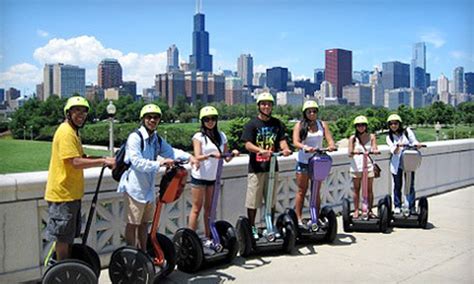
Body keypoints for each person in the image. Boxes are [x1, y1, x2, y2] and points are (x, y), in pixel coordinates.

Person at [117, 104, 199, 250]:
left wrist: (190, 157)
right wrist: (159, 163)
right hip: (134, 189)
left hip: (148, 189)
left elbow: (171, 152)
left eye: (156, 117)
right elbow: (137, 163)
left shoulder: (156, 139)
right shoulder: (135, 138)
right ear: (143, 119)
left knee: (144, 224)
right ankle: (130, 253)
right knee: (132, 223)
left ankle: (143, 252)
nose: (152, 120)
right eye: (149, 117)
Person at [45, 96, 116, 261]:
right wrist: (103, 161)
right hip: (62, 195)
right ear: (68, 113)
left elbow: (82, 156)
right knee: (62, 238)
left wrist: (104, 158)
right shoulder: (65, 133)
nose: (81, 114)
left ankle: (67, 268)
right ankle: (62, 271)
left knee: (68, 237)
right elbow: (75, 162)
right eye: (77, 111)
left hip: (71, 194)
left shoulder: (73, 132)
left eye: (84, 112)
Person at [241, 92, 292, 239]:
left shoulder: (277, 124)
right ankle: (252, 228)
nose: (266, 106)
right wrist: (260, 150)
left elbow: (281, 140)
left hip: (272, 168)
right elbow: (248, 144)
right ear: (259, 106)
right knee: (253, 201)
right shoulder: (251, 124)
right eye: (263, 104)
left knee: (271, 200)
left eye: (269, 104)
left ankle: (271, 225)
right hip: (256, 169)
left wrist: (285, 149)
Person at [188, 106, 239, 247]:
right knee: (196, 208)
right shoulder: (198, 137)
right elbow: (197, 156)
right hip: (199, 177)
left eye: (213, 119)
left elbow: (226, 157)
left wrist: (233, 153)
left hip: (213, 177)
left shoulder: (221, 136)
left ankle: (208, 237)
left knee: (210, 209)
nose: (210, 122)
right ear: (202, 121)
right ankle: (190, 239)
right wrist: (210, 155)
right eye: (206, 119)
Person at [292, 100, 336, 227]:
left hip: (318, 162)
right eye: (309, 111)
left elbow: (330, 140)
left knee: (316, 191)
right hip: (304, 162)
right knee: (302, 190)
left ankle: (315, 217)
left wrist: (331, 146)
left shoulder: (322, 124)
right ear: (305, 113)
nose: (312, 113)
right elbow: (295, 142)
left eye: (314, 111)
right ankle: (298, 219)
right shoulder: (299, 125)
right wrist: (304, 147)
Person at [386, 114, 422, 215]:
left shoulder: (407, 131)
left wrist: (417, 145)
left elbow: (414, 141)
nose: (393, 125)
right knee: (397, 185)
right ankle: (397, 205)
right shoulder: (389, 137)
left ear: (399, 124)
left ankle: (411, 207)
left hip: (409, 161)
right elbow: (393, 150)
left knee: (410, 185)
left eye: (395, 123)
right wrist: (397, 146)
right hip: (397, 164)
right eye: (391, 124)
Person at [348, 115, 380, 220]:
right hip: (356, 167)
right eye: (358, 125)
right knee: (356, 189)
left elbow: (374, 147)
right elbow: (349, 153)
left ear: (366, 126)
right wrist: (354, 152)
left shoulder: (371, 136)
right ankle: (357, 210)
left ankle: (369, 210)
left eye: (362, 125)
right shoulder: (353, 138)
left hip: (369, 166)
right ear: (356, 127)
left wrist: (375, 151)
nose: (360, 127)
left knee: (369, 190)